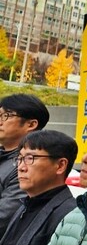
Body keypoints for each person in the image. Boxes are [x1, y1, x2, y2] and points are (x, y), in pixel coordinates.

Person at [0, 94, 50, 226]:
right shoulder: (5, 156)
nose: (0, 121)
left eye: (7, 116)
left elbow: (4, 216)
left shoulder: (28, 166)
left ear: (31, 124)